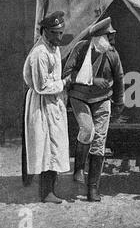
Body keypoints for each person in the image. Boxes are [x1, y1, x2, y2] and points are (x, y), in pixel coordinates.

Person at [63, 17, 125, 202]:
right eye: (108, 36)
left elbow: (119, 78)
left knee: (99, 142)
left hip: (103, 100)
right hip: (80, 98)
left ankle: (92, 189)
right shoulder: (81, 49)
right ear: (97, 38)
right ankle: (79, 168)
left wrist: (119, 102)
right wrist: (91, 80)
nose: (111, 39)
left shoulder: (112, 54)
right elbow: (67, 74)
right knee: (87, 131)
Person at [23, 11, 72, 204]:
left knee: (56, 146)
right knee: (45, 147)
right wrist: (64, 83)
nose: (60, 37)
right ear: (46, 32)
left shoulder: (54, 48)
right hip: (41, 104)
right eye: (56, 33)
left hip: (54, 102)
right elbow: (41, 86)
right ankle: (45, 193)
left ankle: (51, 189)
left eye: (61, 32)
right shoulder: (39, 54)